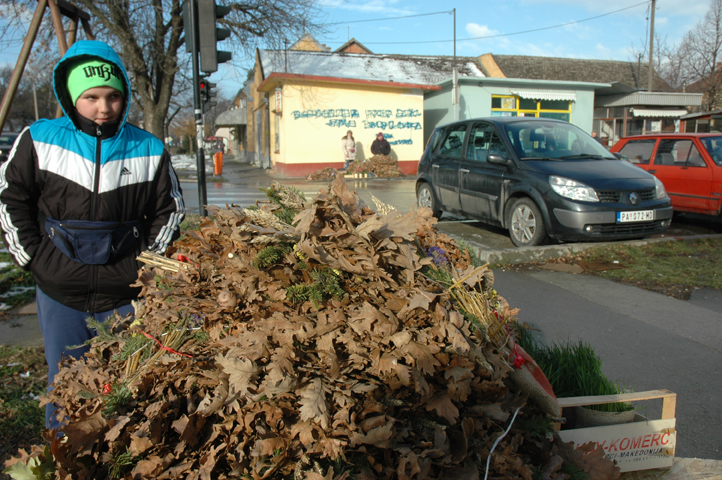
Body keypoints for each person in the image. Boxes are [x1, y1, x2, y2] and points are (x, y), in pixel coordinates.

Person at [0, 40, 185, 430]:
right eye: (91, 97)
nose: (104, 107)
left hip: (123, 294)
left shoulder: (149, 148)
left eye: (114, 96)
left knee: (127, 386)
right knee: (66, 383)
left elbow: (169, 211)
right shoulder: (39, 139)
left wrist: (144, 268)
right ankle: (65, 459)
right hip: (59, 293)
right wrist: (35, 259)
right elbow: (10, 199)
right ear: (71, 96)